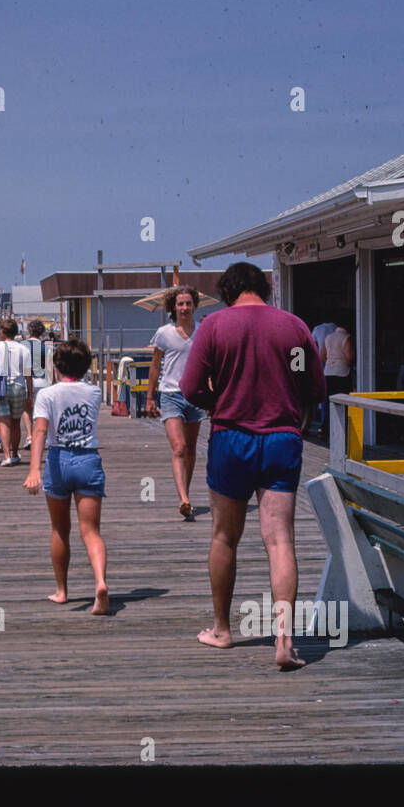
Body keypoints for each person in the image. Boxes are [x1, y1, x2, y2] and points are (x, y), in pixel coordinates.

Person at [179, 261, 326, 670]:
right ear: (265, 288)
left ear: (227, 292)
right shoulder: (293, 327)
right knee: (279, 539)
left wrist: (220, 403)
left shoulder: (213, 327)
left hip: (231, 437)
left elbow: (190, 388)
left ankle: (223, 630)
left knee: (225, 536)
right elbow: (314, 386)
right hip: (282, 440)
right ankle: (283, 639)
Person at [23, 339, 109, 615]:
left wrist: (34, 469)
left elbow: (39, 432)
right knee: (91, 531)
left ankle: (62, 591)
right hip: (87, 459)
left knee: (61, 530)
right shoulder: (94, 392)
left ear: (56, 365)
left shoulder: (47, 395)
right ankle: (100, 581)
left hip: (59, 460)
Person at [144, 286, 205, 520]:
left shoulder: (202, 331)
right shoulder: (163, 333)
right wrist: (150, 397)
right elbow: (155, 365)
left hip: (195, 395)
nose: (185, 308)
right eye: (180, 304)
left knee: (190, 448)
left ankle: (185, 493)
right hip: (170, 395)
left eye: (189, 303)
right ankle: (183, 498)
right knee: (178, 447)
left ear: (194, 306)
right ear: (173, 307)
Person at [0, 319, 34, 467]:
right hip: (19, 386)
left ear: (3, 332)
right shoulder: (23, 349)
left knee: (3, 421)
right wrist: (30, 393)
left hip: (1, 386)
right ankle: (14, 454)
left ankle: (6, 456)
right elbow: (28, 373)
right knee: (16, 423)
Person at [19, 320, 53, 450]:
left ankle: (29, 436)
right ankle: (40, 436)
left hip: (27, 381)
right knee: (41, 411)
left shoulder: (22, 345)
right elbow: (50, 368)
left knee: (27, 409)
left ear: (29, 331)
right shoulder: (47, 347)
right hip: (43, 382)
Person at [321, 320, 355, 446]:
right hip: (342, 373)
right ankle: (342, 433)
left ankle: (326, 430)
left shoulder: (328, 337)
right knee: (343, 404)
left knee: (331, 404)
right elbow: (349, 355)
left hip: (328, 372)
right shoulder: (346, 337)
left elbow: (322, 356)